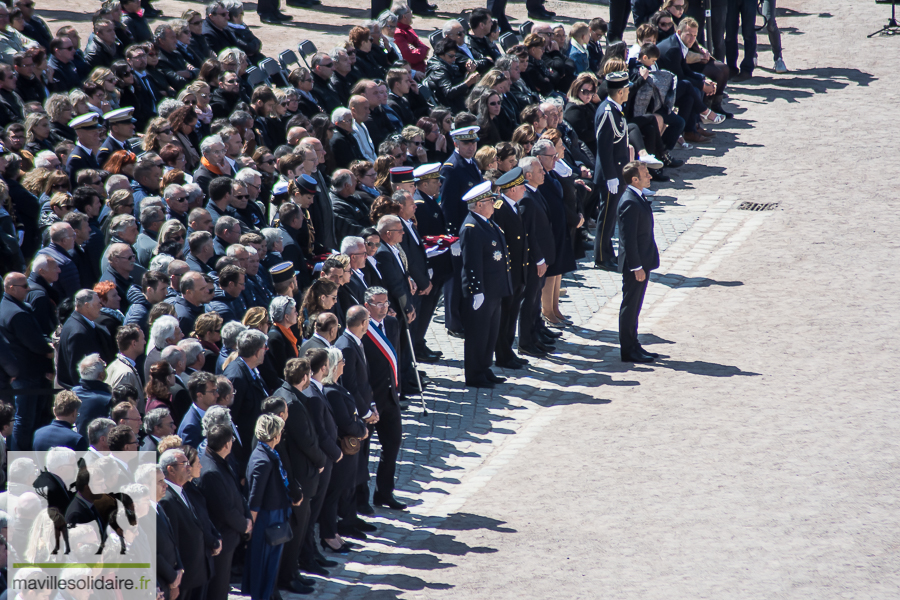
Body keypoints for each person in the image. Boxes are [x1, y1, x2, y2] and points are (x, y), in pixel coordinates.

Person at [458, 181, 511, 387]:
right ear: (479, 204)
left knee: (490, 332)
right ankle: (474, 374)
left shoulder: (487, 222)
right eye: (490, 200)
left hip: (494, 289)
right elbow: (471, 261)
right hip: (482, 290)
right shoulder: (471, 227)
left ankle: (484, 367)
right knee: (478, 333)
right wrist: (476, 290)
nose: (494, 204)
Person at [243, 413, 299, 600]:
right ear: (275, 436)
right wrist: (251, 525)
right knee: (264, 565)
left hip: (275, 514)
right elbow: (255, 498)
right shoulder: (261, 460)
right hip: (266, 519)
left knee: (271, 565)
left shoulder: (269, 453)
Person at [360, 287, 406, 509]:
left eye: (386, 303)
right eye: (378, 304)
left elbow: (395, 357)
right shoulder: (362, 329)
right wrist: (367, 403)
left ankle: (384, 493)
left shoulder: (393, 324)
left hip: (390, 398)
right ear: (367, 306)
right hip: (370, 401)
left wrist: (397, 390)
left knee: (393, 444)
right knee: (364, 451)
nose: (383, 307)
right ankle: (360, 499)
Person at [197, 423, 252, 600]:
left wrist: (247, 516)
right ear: (227, 444)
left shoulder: (221, 461)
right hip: (222, 538)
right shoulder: (211, 471)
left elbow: (236, 492)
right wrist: (244, 525)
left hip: (230, 534)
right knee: (218, 588)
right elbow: (224, 510)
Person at [158, 448, 216, 600]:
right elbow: (173, 542)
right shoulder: (167, 499)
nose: (189, 467)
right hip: (183, 580)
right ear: (171, 469)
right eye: (184, 464)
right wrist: (175, 581)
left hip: (196, 574)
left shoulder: (183, 491)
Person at [617, 160, 660, 363]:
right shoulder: (629, 202)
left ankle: (634, 344)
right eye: (645, 174)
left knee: (636, 306)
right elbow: (628, 239)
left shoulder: (637, 196)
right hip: (636, 265)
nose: (650, 176)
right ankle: (628, 349)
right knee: (630, 305)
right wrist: (636, 267)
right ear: (635, 179)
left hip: (643, 262)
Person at [593, 72, 632, 273]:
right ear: (620, 91)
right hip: (611, 175)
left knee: (610, 218)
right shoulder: (608, 112)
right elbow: (604, 148)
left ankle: (607, 252)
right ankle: (600, 257)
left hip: (617, 173)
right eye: (626, 89)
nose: (628, 92)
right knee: (606, 217)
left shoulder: (615, 109)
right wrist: (610, 176)